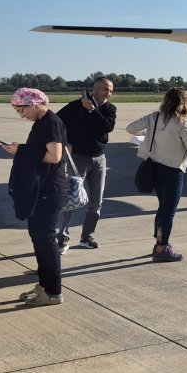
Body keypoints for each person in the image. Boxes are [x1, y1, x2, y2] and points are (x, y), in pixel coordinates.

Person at [4, 88, 69, 306]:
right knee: (39, 237)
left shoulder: (51, 122)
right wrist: (21, 150)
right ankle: (45, 284)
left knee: (45, 238)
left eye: (21, 110)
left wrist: (19, 151)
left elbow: (54, 156)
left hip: (50, 190)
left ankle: (53, 292)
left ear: (33, 103)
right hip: (44, 189)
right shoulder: (42, 122)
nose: (22, 115)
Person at [126, 87, 187, 262]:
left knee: (163, 208)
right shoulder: (182, 122)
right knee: (169, 211)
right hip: (172, 171)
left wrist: (149, 131)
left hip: (155, 169)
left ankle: (159, 243)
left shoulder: (154, 117)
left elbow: (131, 128)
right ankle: (162, 248)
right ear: (185, 102)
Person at [54, 77, 117, 251]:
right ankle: (62, 237)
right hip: (78, 159)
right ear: (95, 88)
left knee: (96, 202)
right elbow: (56, 122)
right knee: (72, 198)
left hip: (99, 159)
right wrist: (63, 141)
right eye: (105, 89)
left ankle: (87, 236)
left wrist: (92, 110)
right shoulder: (75, 106)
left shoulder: (109, 109)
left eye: (110, 91)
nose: (108, 93)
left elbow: (107, 126)